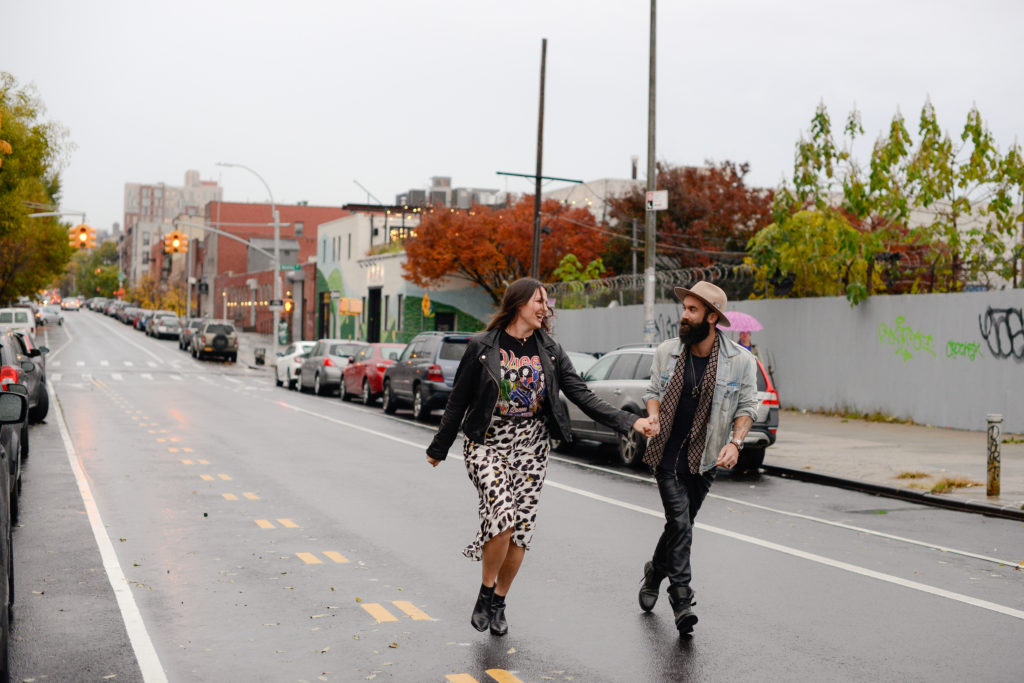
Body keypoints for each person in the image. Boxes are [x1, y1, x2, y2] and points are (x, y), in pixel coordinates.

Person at [426, 277, 654, 636]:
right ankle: (486, 592)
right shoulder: (483, 346)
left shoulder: (550, 349)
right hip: (488, 443)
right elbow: (459, 401)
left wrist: (630, 421)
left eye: (546, 302)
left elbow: (583, 396)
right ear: (518, 303)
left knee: (520, 532)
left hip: (532, 446)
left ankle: (500, 600)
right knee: (502, 515)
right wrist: (439, 447)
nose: (544, 308)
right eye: (538, 301)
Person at [638, 281, 758, 635]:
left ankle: (653, 573)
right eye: (684, 308)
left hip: (704, 460)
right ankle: (681, 597)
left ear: (712, 317)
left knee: (681, 525)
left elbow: (748, 406)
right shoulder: (667, 352)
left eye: (692, 310)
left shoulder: (741, 361)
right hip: (667, 453)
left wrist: (735, 443)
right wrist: (654, 414)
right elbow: (652, 391)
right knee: (679, 522)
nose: (684, 316)